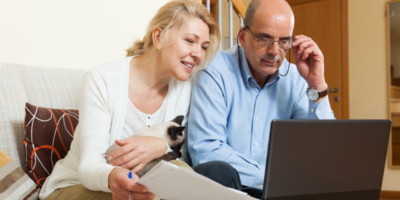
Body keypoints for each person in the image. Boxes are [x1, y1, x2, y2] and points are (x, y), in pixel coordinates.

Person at [39, 1, 220, 199]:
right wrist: (116, 176)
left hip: (144, 183)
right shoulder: (102, 79)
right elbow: (89, 165)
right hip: (75, 186)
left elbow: (185, 156)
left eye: (204, 47)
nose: (198, 55)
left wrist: (160, 146)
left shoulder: (185, 88)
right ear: (158, 37)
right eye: (189, 41)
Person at [187, 0, 335, 198]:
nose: (275, 51)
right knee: (217, 172)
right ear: (242, 37)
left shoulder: (296, 77)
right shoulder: (214, 70)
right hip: (233, 189)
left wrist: (317, 84)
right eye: (264, 39)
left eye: (284, 41)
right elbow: (206, 151)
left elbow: (323, 147)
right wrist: (272, 178)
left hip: (282, 190)